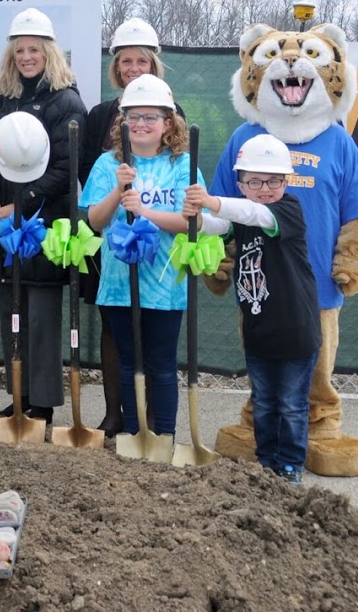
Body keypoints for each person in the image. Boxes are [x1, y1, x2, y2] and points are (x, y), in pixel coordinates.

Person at [183, 134, 321, 485]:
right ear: (241, 183)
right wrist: (196, 218)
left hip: (296, 332)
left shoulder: (286, 210)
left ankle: (289, 464)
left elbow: (253, 213)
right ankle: (266, 462)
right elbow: (217, 226)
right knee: (263, 403)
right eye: (254, 181)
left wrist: (213, 201)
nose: (264, 189)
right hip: (259, 334)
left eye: (273, 181)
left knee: (291, 405)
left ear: (286, 182)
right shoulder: (243, 215)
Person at [0, 8, 86, 422]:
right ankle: (19, 395)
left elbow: (66, 170)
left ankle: (42, 402)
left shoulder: (67, 102)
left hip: (43, 227)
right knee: (13, 312)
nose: (26, 57)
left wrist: (20, 205)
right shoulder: (3, 102)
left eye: (34, 50)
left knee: (41, 317)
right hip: (2, 222)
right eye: (19, 50)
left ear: (49, 53)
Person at [79, 74, 192, 439]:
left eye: (151, 118)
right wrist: (118, 188)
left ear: (168, 124)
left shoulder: (180, 165)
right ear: (122, 123)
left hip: (164, 285)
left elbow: (189, 223)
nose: (141, 125)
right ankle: (133, 434)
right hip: (118, 284)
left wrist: (144, 211)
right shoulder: (107, 164)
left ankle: (164, 437)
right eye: (133, 117)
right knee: (127, 364)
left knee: (160, 364)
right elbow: (95, 221)